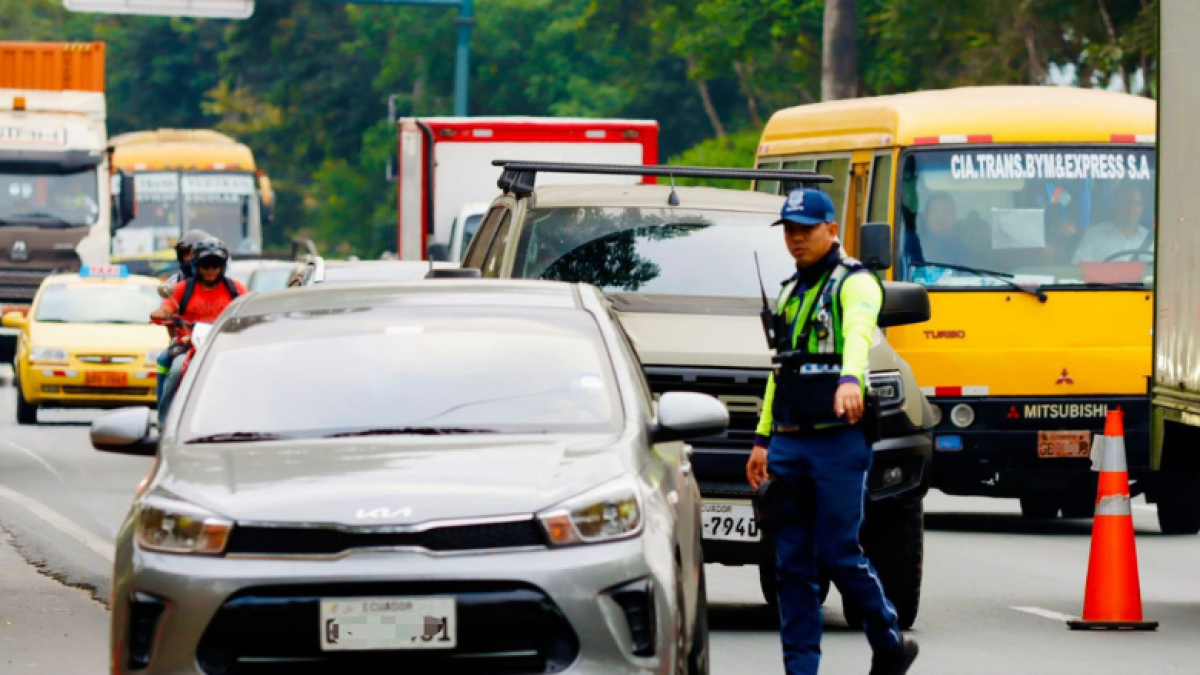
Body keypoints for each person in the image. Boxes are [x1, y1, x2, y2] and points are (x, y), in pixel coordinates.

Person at [746, 188, 918, 675]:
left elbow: (860, 333)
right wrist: (762, 440)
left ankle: (889, 644)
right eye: (790, 230)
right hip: (789, 441)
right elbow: (778, 372)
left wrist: (850, 379)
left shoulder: (855, 283)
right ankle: (801, 670)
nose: (797, 238)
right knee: (792, 564)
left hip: (839, 440)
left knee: (839, 552)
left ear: (832, 230)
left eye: (806, 228)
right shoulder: (787, 291)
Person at [150, 237, 246, 425]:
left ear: (223, 266)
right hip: (188, 345)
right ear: (196, 265)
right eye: (205, 265)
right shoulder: (182, 289)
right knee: (177, 369)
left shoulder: (235, 289)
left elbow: (248, 307)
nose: (210, 270)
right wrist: (161, 313)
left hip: (225, 347)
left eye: (215, 265)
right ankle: (165, 423)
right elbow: (167, 307)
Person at [154, 230, 212, 404]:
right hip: (185, 340)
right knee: (168, 362)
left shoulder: (227, 285)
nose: (211, 272)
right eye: (186, 254)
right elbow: (165, 309)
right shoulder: (174, 284)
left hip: (213, 342)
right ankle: (164, 415)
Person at [1071, 184, 1153, 263]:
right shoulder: (1094, 235)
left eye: (1135, 203)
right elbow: (1078, 270)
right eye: (1125, 202)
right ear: (1115, 205)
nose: (1130, 208)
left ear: (1142, 208)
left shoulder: (1151, 240)